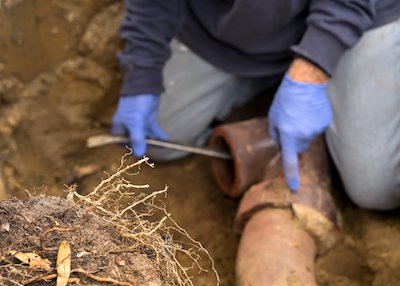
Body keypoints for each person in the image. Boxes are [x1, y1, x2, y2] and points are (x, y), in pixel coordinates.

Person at [111, 1, 400, 210]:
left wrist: (311, 71)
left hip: (361, 15)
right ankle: (273, 79)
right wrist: (143, 71)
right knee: (158, 137)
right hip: (228, 25)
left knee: (375, 188)